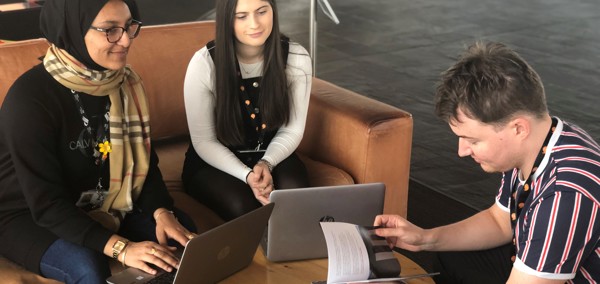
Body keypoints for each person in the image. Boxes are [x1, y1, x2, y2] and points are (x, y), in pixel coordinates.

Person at [0, 0, 197, 283]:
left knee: (181, 240)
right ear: (73, 30)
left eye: (129, 26)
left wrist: (161, 210)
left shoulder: (125, 85)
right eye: (110, 30)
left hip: (103, 200)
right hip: (27, 213)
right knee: (87, 267)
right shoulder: (30, 100)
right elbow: (46, 204)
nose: (126, 39)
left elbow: (144, 163)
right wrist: (122, 248)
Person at [374, 41, 599, 283]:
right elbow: (500, 221)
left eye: (472, 140)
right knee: (452, 257)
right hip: (534, 256)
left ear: (518, 128)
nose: (462, 151)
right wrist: (425, 238)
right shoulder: (541, 139)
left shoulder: (564, 196)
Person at [182, 0, 312, 221]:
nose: (255, 24)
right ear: (226, 19)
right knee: (244, 208)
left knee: (295, 196)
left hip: (273, 153)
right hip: (215, 161)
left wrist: (266, 163)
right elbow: (204, 141)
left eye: (262, 12)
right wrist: (247, 175)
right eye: (241, 16)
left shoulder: (296, 58)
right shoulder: (204, 64)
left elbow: (292, 130)